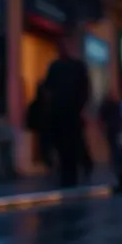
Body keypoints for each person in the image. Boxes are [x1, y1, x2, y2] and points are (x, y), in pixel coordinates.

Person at [42, 33, 91, 187]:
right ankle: (71, 172)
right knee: (66, 143)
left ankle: (72, 172)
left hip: (69, 111)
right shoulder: (60, 67)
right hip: (63, 111)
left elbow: (84, 89)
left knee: (70, 143)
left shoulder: (71, 67)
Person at [26, 81, 52, 169]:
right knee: (43, 145)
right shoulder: (40, 105)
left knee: (45, 145)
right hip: (43, 129)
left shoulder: (45, 105)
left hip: (45, 129)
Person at [98, 92, 122, 159]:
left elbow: (102, 117)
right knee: (114, 143)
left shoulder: (111, 105)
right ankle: (115, 156)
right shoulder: (115, 105)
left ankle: (114, 156)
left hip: (112, 127)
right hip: (113, 127)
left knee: (113, 143)